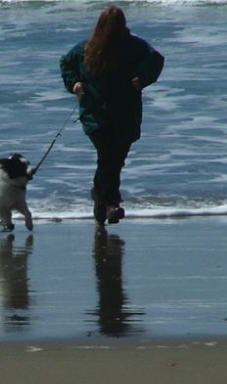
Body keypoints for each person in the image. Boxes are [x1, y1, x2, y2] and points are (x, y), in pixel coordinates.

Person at [60, 5, 164, 225]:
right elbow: (66, 63)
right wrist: (74, 84)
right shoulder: (86, 48)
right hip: (95, 114)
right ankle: (111, 203)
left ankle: (100, 197)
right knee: (109, 157)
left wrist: (142, 78)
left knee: (115, 160)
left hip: (125, 113)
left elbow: (156, 60)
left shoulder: (134, 46)